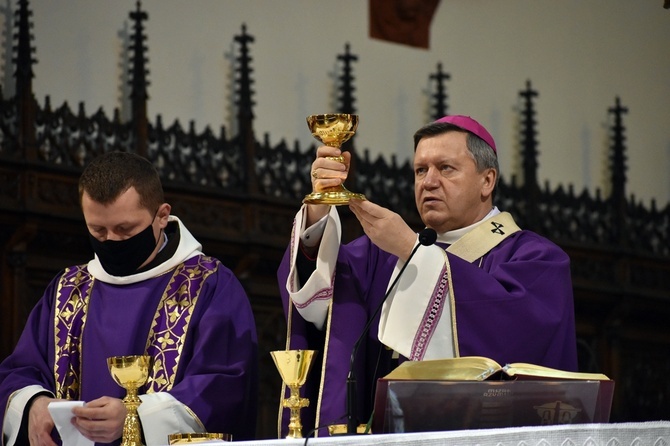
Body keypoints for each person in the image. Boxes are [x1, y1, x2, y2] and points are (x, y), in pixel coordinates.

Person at [277, 115, 578, 437]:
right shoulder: (381, 254)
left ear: (487, 181)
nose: (429, 182)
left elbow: (514, 334)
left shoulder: (536, 258)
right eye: (421, 170)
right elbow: (318, 300)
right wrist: (320, 207)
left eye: (446, 168)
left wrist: (411, 247)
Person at [0, 151, 258, 445]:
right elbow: (20, 370)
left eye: (125, 230)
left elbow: (223, 386)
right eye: (97, 231)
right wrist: (33, 404)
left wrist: (135, 418)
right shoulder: (68, 288)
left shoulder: (210, 285)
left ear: (161, 216)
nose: (110, 241)